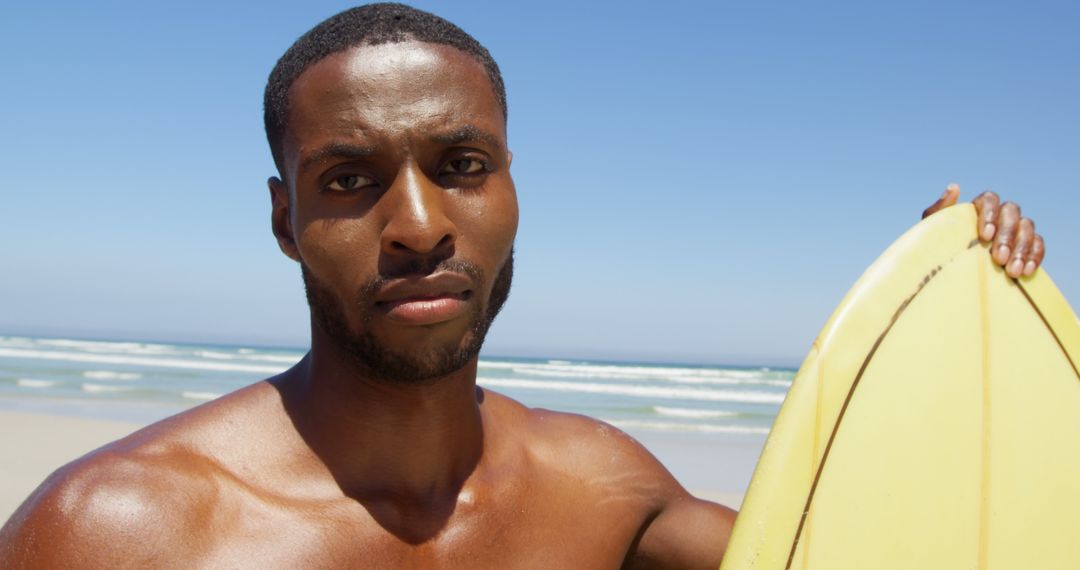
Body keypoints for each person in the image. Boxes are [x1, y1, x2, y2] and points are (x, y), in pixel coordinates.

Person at [0, 4, 1046, 568]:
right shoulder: (113, 533)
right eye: (350, 180)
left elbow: (870, 545)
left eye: (461, 166)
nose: (417, 226)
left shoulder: (603, 493)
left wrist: (954, 324)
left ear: (510, 188)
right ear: (286, 220)